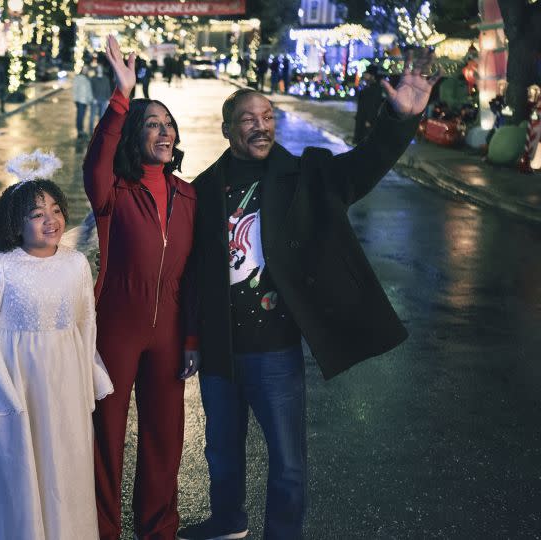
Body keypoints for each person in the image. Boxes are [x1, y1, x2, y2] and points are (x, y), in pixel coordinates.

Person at [177, 52, 440, 540]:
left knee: (288, 460)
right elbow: (191, 272)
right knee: (221, 449)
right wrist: (190, 336)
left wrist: (401, 118)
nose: (261, 127)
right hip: (219, 346)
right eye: (248, 120)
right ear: (227, 129)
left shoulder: (308, 176)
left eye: (268, 117)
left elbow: (364, 166)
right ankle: (228, 521)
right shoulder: (205, 189)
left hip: (274, 346)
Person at [0, 154, 114, 540]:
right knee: (19, 471)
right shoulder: (0, 267)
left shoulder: (76, 264)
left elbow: (86, 324)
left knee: (62, 468)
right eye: (36, 214)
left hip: (64, 385)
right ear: (16, 224)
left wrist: (84, 388)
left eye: (55, 209)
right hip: (13, 387)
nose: (50, 219)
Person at [84, 35, 198, 540]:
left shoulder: (189, 195)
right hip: (116, 326)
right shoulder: (114, 191)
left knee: (165, 439)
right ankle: (103, 530)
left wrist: (193, 338)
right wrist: (121, 96)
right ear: (135, 135)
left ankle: (158, 531)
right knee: (105, 437)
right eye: (152, 124)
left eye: (169, 124)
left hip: (171, 329)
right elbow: (97, 162)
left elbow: (197, 274)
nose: (165, 131)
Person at [354, 64, 385, 144]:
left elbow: (373, 105)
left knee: (365, 142)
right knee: (360, 143)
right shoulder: (368, 86)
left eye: (367, 74)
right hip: (362, 118)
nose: (365, 75)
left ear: (372, 76)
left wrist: (369, 120)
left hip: (367, 121)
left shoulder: (376, 89)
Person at [74, 66, 93, 138]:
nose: (85, 71)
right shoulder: (78, 78)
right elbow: (75, 89)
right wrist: (75, 100)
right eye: (84, 69)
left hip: (86, 101)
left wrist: (90, 99)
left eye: (86, 70)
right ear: (81, 70)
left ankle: (81, 130)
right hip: (80, 100)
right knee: (80, 116)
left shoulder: (88, 79)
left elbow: (89, 90)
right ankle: (79, 131)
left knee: (82, 116)